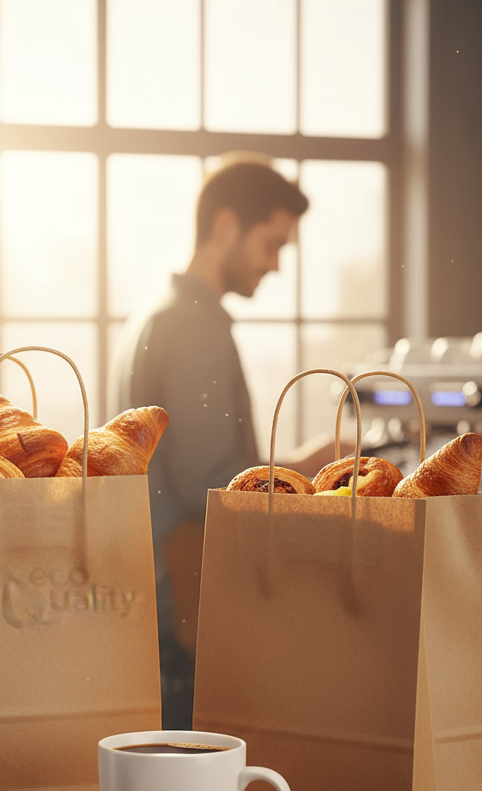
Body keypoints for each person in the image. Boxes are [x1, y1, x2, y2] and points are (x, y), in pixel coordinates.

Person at [112, 156, 341, 729]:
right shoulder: (196, 326)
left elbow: (185, 459)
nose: (276, 265)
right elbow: (207, 479)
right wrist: (302, 479)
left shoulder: (153, 314)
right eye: (271, 244)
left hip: (148, 592)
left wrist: (295, 464)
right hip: (186, 605)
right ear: (224, 226)